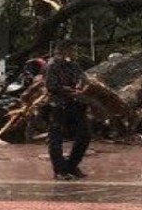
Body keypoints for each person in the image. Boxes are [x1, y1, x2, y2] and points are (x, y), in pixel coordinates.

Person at [44, 39, 91, 180]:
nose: (74, 53)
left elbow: (85, 80)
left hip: (75, 104)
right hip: (58, 105)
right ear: (64, 50)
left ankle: (71, 165)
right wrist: (67, 90)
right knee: (56, 138)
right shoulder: (51, 66)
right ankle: (59, 170)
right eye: (72, 50)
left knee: (85, 135)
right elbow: (51, 86)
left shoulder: (74, 66)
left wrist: (81, 89)